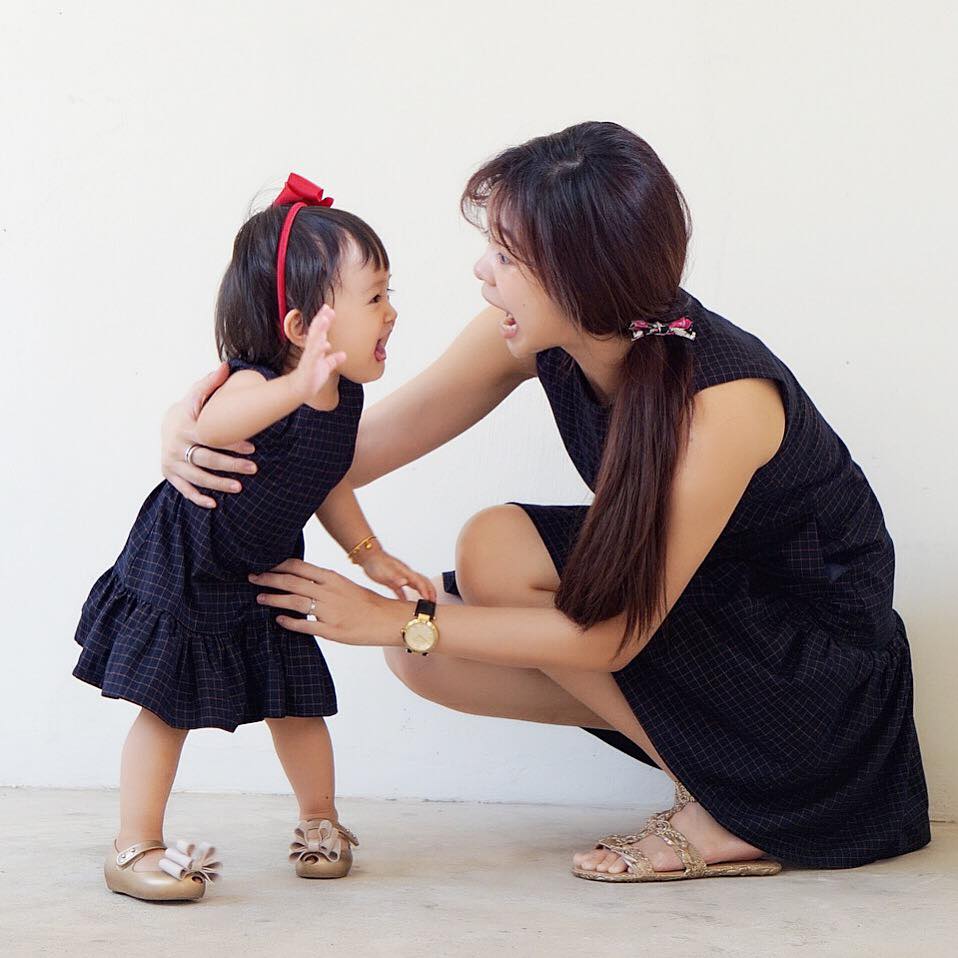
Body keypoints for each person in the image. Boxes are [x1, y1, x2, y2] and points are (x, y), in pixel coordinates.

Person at [162, 124, 931, 882]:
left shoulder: (725, 401)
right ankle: (721, 771)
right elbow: (339, 456)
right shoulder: (530, 331)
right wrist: (195, 430)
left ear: (577, 276)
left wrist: (389, 614)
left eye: (504, 256)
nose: (481, 272)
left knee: (440, 606)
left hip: (811, 678)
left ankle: (739, 804)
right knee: (426, 655)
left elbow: (619, 638)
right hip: (700, 616)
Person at [74, 173, 435, 902]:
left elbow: (326, 476)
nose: (392, 313)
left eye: (389, 293)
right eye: (374, 298)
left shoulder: (343, 396)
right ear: (302, 329)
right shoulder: (256, 385)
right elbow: (208, 426)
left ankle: (320, 820)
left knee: (296, 699)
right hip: (190, 564)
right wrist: (295, 387)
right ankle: (133, 843)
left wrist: (370, 552)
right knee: (164, 706)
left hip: (264, 565)